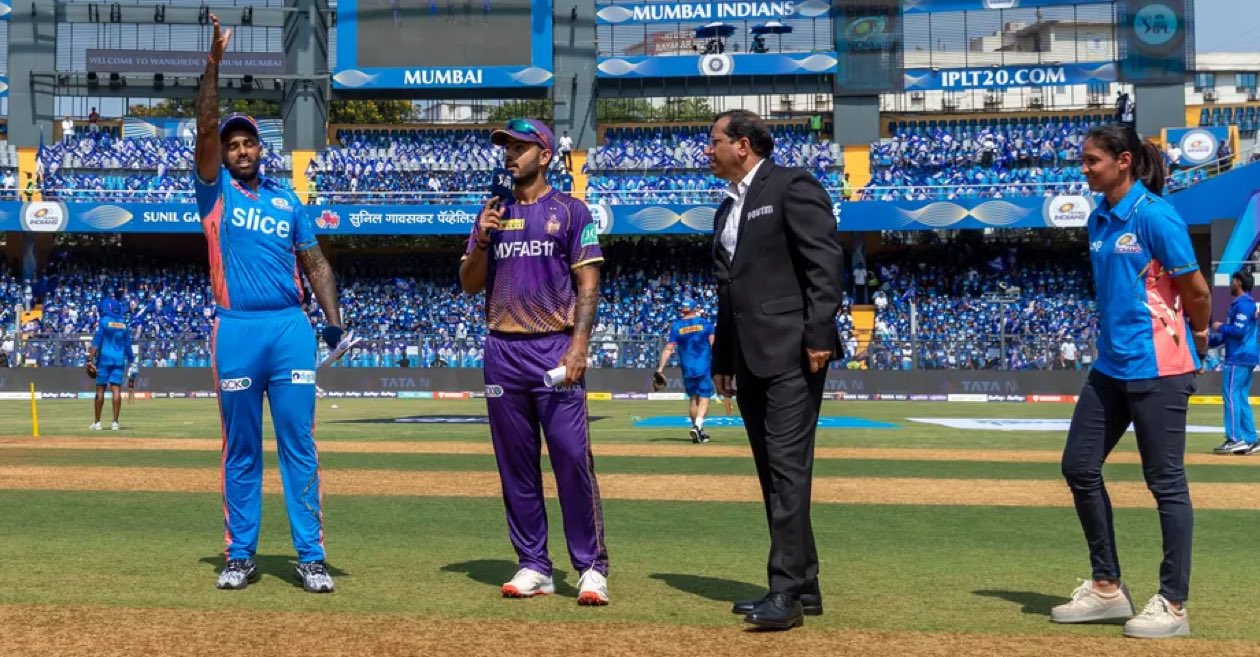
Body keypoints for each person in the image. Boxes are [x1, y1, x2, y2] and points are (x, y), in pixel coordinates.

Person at [195, 14, 347, 594]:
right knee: (240, 451)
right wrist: (213, 63)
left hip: (289, 329)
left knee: (298, 445)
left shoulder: (288, 202)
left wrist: (334, 322)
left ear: (262, 148)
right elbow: (205, 125)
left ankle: (310, 556)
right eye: (231, 144)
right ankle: (240, 555)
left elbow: (316, 264)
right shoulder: (215, 191)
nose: (237, 150)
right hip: (236, 330)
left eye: (246, 142)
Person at [1052, 123, 1210, 639]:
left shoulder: (1155, 215)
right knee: (1078, 466)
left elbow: (1197, 290)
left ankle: (1173, 605)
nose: (1083, 167)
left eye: (1091, 160)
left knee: (1165, 485)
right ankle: (1106, 589)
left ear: (1123, 162)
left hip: (1160, 370)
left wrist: (1201, 336)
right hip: (1110, 368)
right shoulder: (1099, 217)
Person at [458, 118, 609, 606]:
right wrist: (482, 239)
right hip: (502, 350)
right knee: (516, 467)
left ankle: (590, 568)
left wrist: (579, 344)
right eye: (506, 147)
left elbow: (588, 284)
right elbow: (468, 283)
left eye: (520, 147)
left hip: (553, 347)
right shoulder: (492, 213)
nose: (510, 155)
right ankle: (534, 566)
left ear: (544, 155)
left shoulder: (570, 211)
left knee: (570, 459)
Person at [707, 110, 844, 630]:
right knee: (773, 473)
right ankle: (804, 582)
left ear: (743, 145)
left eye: (714, 141)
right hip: (747, 357)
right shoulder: (726, 209)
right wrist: (723, 360)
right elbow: (728, 291)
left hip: (792, 352)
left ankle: (783, 593)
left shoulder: (792, 185)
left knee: (788, 470)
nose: (708, 150)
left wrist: (817, 334)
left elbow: (823, 262)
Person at [1210, 271, 1259, 454]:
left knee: (1230, 396)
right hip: (1245, 355)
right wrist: (1209, 342)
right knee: (1239, 398)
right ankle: (1251, 440)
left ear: (1239, 282)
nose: (1231, 283)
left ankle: (1234, 438)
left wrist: (1219, 326)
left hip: (1238, 357)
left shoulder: (1244, 304)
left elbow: (1237, 332)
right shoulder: (1243, 304)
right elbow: (1229, 335)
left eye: (1233, 281)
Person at [655, 298, 715, 443]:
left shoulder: (676, 326)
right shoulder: (705, 324)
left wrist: (660, 368)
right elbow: (714, 345)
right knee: (705, 398)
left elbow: (669, 348)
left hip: (687, 368)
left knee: (693, 399)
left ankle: (699, 431)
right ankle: (698, 426)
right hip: (704, 366)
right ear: (695, 309)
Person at [86, 298, 133, 431]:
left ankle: (97, 423)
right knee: (116, 390)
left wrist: (90, 360)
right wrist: (132, 360)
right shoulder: (124, 324)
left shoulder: (104, 321)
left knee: (100, 390)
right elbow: (128, 345)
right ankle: (115, 423)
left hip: (104, 360)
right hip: (119, 360)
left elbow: (97, 341)